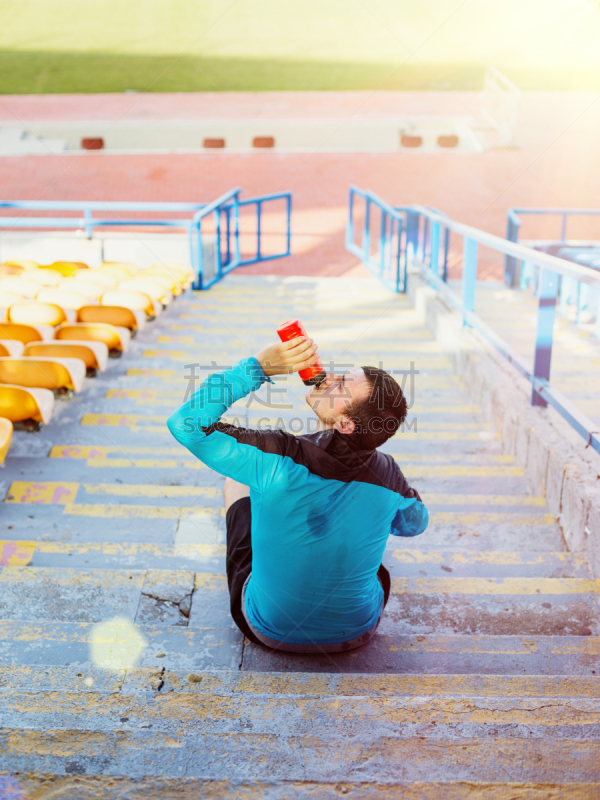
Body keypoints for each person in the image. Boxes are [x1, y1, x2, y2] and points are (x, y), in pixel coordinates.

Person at [167, 334, 428, 653]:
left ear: (345, 424)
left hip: (268, 628)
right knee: (374, 559)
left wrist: (258, 367)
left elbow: (186, 424)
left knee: (236, 482)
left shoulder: (277, 455)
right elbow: (415, 523)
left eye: (341, 384)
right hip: (358, 632)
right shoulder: (388, 475)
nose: (328, 376)